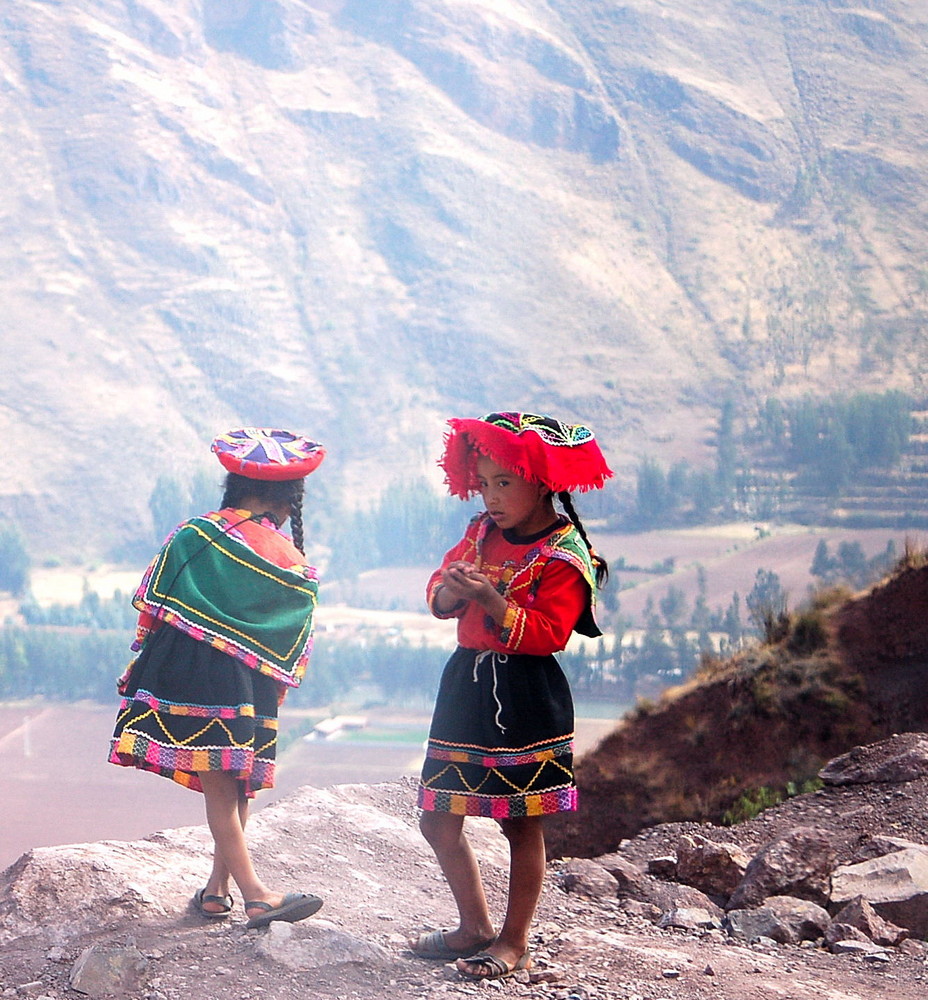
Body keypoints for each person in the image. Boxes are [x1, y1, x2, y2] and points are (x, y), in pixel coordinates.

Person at [409, 412, 612, 980]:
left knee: (521, 822)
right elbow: (439, 584)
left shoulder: (566, 555)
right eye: (485, 483)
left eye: (505, 483)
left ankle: (514, 941)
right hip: (466, 685)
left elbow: (551, 633)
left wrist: (494, 603)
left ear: (542, 482)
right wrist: (452, 590)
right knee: (437, 816)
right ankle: (473, 927)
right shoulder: (480, 533)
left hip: (526, 694)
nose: (492, 497)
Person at [109, 427, 326, 929]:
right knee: (231, 788)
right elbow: (290, 644)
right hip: (246, 684)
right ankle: (256, 896)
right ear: (288, 501)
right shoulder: (289, 559)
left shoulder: (193, 535)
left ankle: (216, 890)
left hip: (185, 674)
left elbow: (153, 601)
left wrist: (138, 665)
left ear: (230, 484)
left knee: (228, 788)